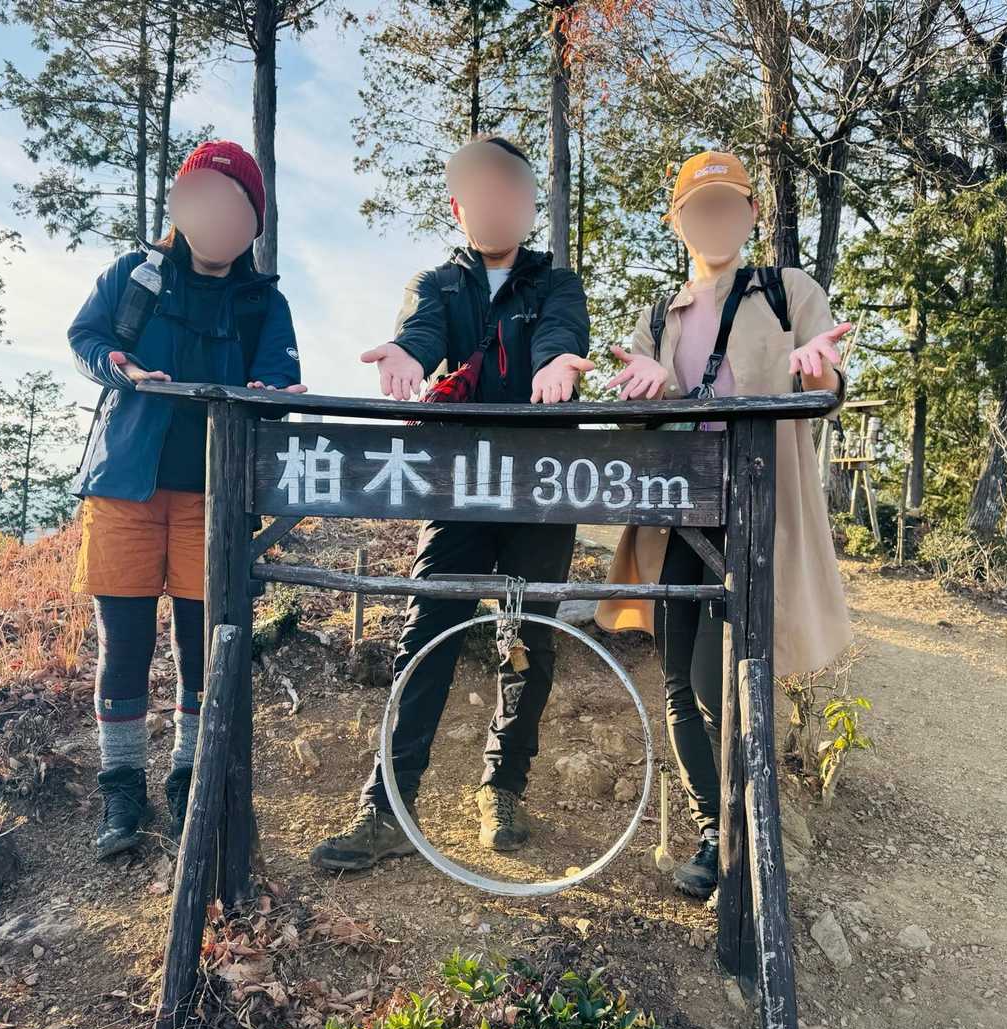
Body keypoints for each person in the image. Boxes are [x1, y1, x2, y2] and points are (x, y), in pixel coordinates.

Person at [309, 134, 593, 872]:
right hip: (457, 486)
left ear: (530, 204)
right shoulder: (436, 283)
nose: (496, 205)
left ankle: (504, 788)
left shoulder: (558, 284)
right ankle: (388, 806)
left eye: (511, 192)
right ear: (458, 207)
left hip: (540, 487)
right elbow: (422, 332)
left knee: (530, 636)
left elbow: (561, 335)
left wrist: (557, 364)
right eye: (481, 193)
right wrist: (408, 353)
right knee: (426, 630)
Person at [596, 150, 852, 900]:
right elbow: (636, 411)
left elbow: (825, 380)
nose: (714, 220)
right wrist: (648, 392)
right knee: (680, 675)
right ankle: (716, 829)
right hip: (677, 517)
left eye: (728, 206)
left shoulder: (788, 292)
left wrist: (816, 369)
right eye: (698, 209)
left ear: (750, 214)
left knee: (732, 676)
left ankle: (748, 826)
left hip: (759, 513)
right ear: (677, 222)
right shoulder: (658, 317)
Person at [68, 139, 306, 859]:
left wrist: (270, 396)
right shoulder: (135, 275)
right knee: (124, 644)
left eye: (235, 205)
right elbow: (85, 336)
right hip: (125, 487)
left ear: (253, 221)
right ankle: (121, 788)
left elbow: (278, 378)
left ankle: (187, 778)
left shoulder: (264, 303)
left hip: (216, 498)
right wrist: (118, 364)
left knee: (201, 646)